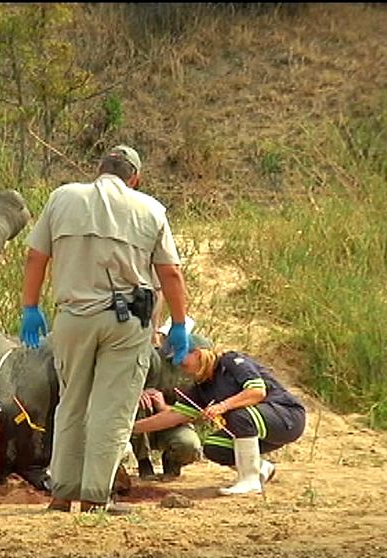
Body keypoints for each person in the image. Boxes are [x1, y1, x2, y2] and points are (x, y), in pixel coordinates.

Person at [19, 144, 191, 515]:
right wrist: (178, 323)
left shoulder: (62, 198)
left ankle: (62, 493)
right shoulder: (149, 209)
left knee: (71, 404)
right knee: (111, 410)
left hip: (73, 318)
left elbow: (35, 256)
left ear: (98, 170)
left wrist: (30, 307)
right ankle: (97, 496)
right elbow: (170, 273)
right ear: (135, 178)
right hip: (125, 324)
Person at [132, 343, 307, 495]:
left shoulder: (231, 362)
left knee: (239, 415)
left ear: (198, 353)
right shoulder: (201, 387)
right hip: (255, 426)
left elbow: (256, 392)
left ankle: (249, 480)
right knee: (214, 446)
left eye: (183, 362)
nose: (180, 368)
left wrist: (222, 406)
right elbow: (174, 416)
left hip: (286, 416)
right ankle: (261, 468)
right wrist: (130, 428)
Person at [131, 329, 210, 481]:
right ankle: (143, 462)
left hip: (173, 423)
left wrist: (164, 407)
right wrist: (138, 393)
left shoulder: (201, 374)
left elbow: (198, 415)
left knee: (189, 445)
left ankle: (172, 463)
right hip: (142, 420)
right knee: (139, 405)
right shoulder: (152, 358)